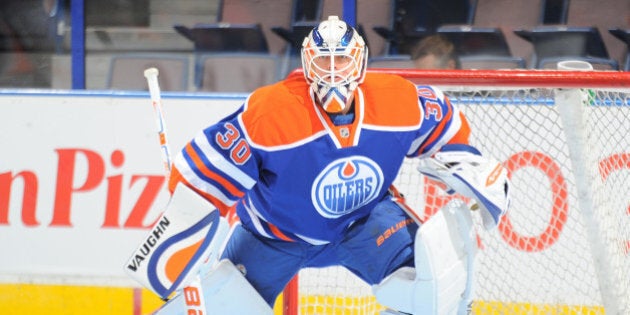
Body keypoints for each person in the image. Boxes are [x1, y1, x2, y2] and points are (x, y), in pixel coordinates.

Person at [127, 15, 510, 315]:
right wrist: (185, 228)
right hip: (274, 237)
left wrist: (466, 163)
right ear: (307, 63)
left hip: (366, 222)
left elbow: (446, 127)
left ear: (359, 61)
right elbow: (200, 175)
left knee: (431, 296)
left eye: (341, 58)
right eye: (323, 59)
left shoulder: (398, 99)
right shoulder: (272, 112)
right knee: (220, 307)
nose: (332, 70)